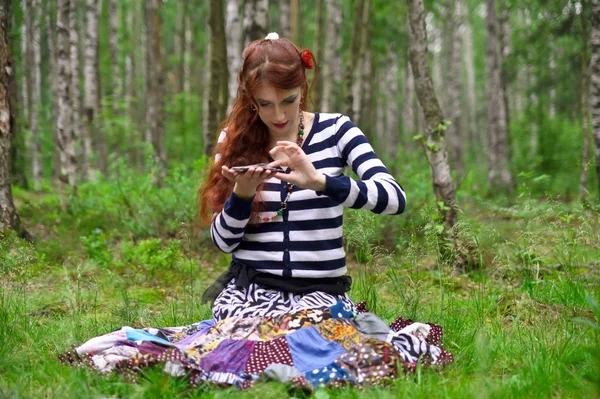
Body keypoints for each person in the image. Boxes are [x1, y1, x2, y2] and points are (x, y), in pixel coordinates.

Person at [199, 32, 406, 322]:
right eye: (265, 104)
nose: (279, 114)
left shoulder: (336, 130)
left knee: (305, 338)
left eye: (288, 100)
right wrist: (241, 196)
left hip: (321, 296)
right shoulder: (234, 139)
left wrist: (321, 182)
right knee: (251, 343)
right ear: (250, 99)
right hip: (250, 294)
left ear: (302, 87)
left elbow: (395, 199)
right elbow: (223, 242)